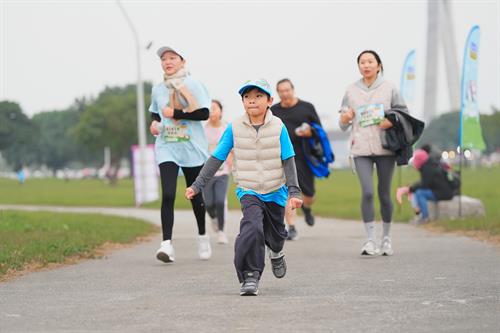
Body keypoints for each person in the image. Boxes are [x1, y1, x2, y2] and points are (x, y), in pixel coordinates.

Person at [185, 79, 303, 296]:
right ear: (242, 102)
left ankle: (276, 252)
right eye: (247, 97)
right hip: (248, 189)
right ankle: (250, 275)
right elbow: (217, 157)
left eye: (258, 96)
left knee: (276, 236)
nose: (252, 101)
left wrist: (294, 191)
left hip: (276, 189)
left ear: (269, 101)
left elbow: (289, 159)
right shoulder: (234, 128)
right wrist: (198, 184)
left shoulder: (278, 127)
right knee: (252, 228)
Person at [339, 50, 407, 256]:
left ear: (378, 65)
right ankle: (370, 240)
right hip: (360, 149)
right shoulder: (350, 90)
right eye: (362, 62)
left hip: (385, 148)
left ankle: (386, 239)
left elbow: (404, 114)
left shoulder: (390, 87)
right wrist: (345, 118)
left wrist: (390, 121)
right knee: (367, 192)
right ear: (358, 66)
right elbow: (342, 123)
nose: (366, 65)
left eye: (370, 61)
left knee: (384, 193)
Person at [149, 46, 212, 263]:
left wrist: (175, 113)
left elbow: (204, 113)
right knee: (168, 194)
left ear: (182, 61)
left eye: (172, 58)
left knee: (194, 195)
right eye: (164, 59)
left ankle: (203, 236)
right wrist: (155, 125)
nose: (167, 62)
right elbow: (155, 115)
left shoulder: (193, 85)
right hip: (167, 146)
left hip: (191, 147)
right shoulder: (158, 89)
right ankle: (166, 244)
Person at [271, 78, 322, 241]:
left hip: (304, 156)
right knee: (287, 192)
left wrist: (309, 132)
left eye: (287, 90)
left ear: (293, 90)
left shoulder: (307, 108)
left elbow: (318, 130)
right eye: (281, 91)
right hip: (282, 157)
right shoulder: (273, 111)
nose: (285, 93)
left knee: (309, 194)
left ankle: (307, 208)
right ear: (278, 93)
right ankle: (291, 226)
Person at [203, 100, 232, 244]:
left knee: (220, 201)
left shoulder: (227, 128)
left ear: (221, 111)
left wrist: (232, 159)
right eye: (209, 109)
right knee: (208, 204)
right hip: (207, 173)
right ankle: (213, 218)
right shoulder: (203, 129)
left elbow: (232, 146)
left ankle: (221, 231)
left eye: (214, 109)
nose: (212, 112)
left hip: (223, 171)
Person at [401, 149, 454, 224]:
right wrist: (413, 188)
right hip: (443, 191)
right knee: (417, 192)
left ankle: (424, 217)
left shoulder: (428, 168)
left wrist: (411, 188)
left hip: (443, 193)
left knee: (420, 193)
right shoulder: (431, 164)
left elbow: (424, 185)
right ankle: (419, 215)